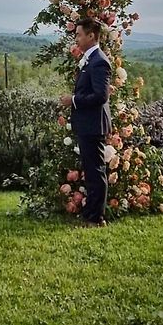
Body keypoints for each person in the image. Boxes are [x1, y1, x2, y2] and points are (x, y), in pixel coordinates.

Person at [60, 18, 112, 228]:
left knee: (96, 172)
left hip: (93, 124)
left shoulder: (99, 61)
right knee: (91, 171)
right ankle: (91, 214)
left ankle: (96, 218)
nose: (77, 38)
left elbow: (101, 96)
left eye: (79, 34)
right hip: (87, 124)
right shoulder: (89, 59)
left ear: (91, 36)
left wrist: (72, 100)